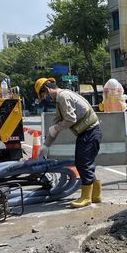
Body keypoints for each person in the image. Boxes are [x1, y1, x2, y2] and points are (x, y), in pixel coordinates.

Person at [34, 77, 102, 208]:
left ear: (47, 89)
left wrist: (56, 128)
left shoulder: (63, 97)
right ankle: (96, 195)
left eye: (43, 95)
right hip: (88, 133)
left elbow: (70, 119)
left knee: (83, 164)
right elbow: (55, 125)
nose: (44, 98)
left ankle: (86, 197)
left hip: (90, 132)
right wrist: (46, 145)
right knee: (85, 163)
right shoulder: (60, 100)